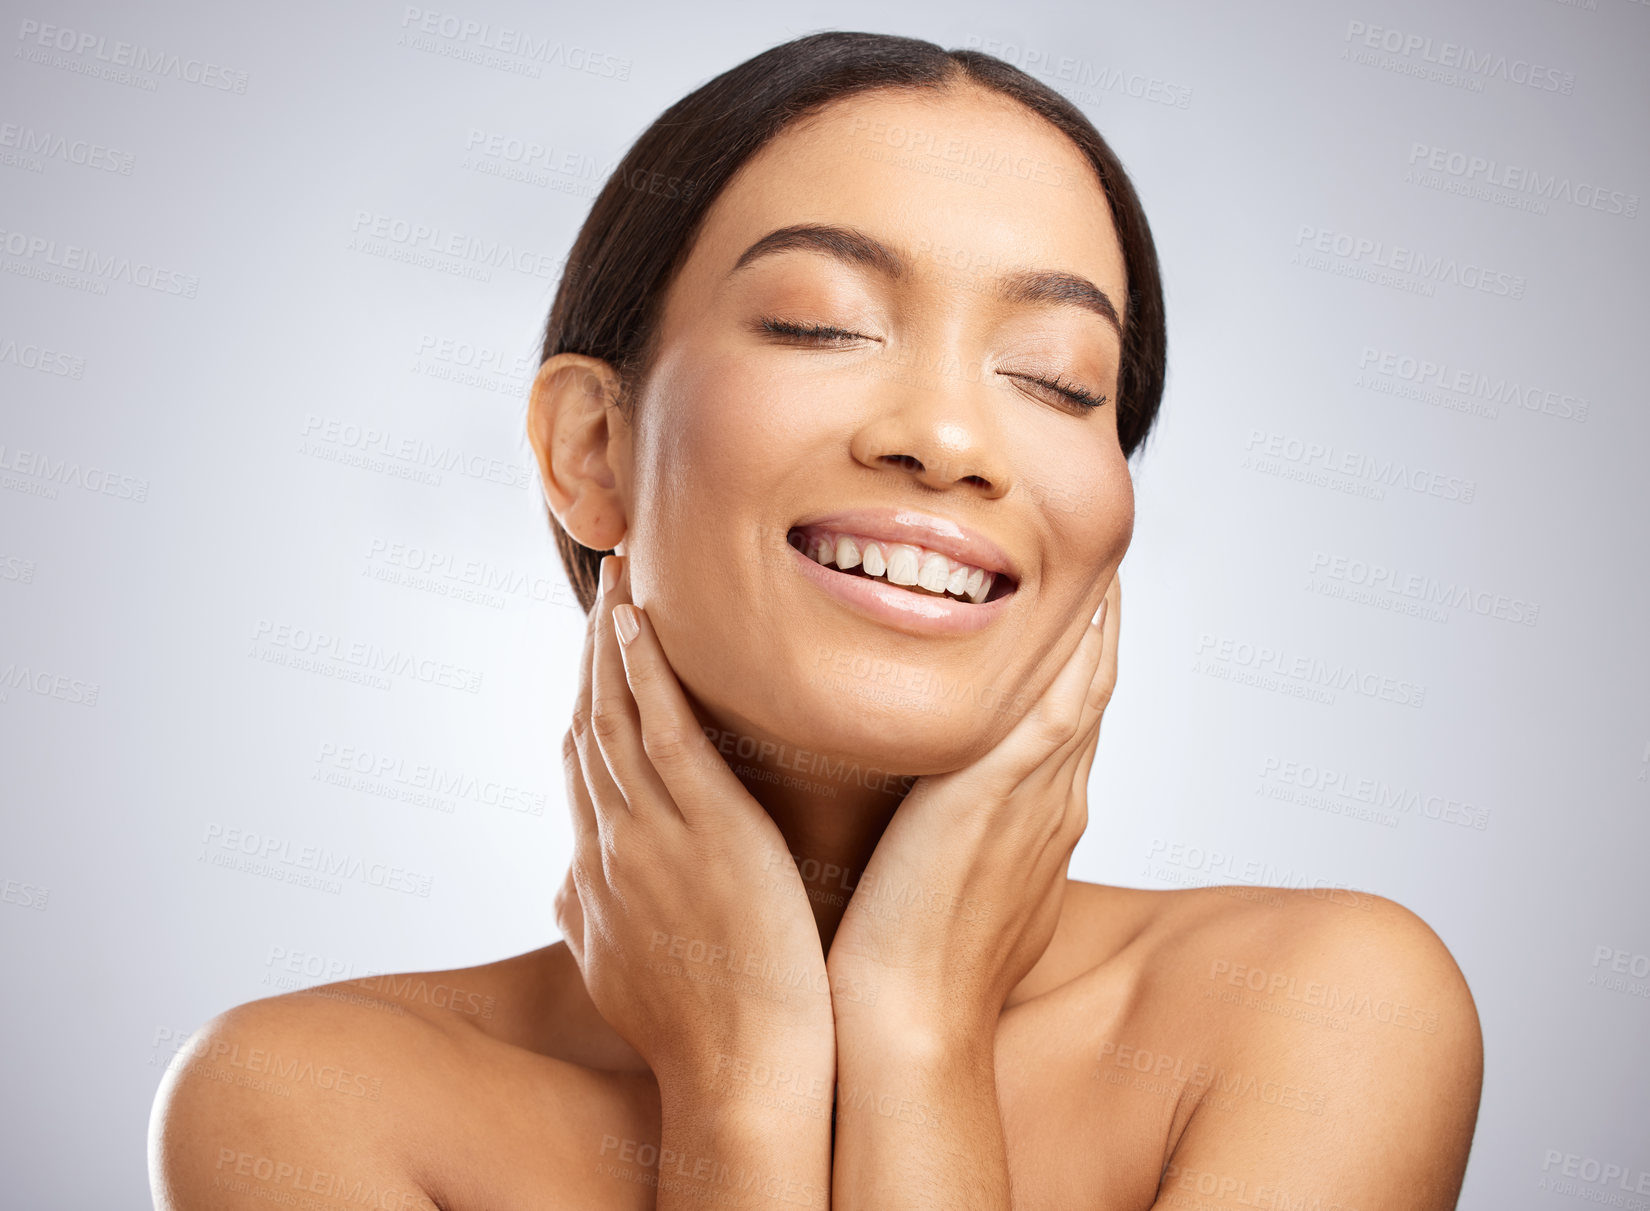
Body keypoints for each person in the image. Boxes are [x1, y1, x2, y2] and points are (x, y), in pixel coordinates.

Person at [149, 30, 1482, 1210]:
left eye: (1056, 380)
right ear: (591, 451)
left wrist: (916, 1034)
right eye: (820, 325)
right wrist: (742, 1080)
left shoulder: (1317, 1012)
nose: (951, 439)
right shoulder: (310, 1105)